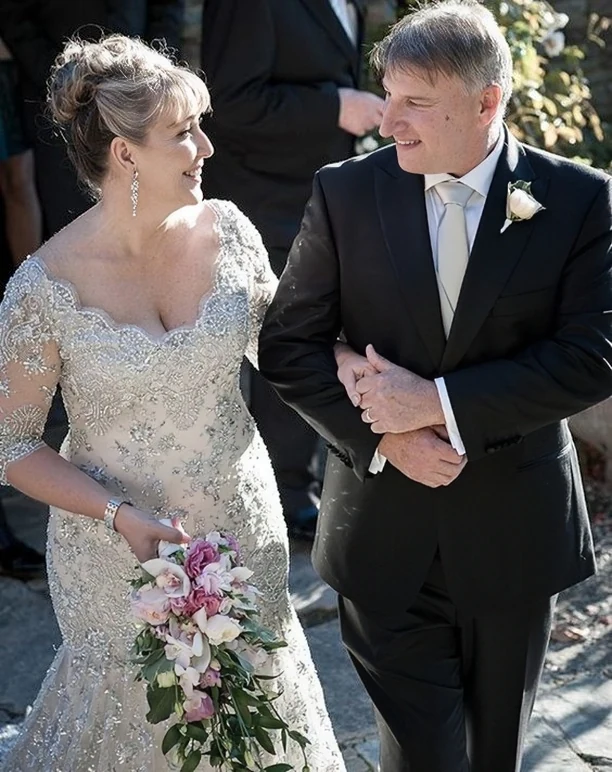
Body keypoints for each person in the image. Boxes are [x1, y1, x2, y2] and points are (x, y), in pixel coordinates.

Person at [259, 2, 612, 771]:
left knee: (494, 756)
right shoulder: (345, 193)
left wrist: (440, 404)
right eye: (388, 97)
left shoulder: (580, 200)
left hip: (515, 537)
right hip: (382, 536)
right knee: (421, 759)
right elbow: (289, 344)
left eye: (416, 103)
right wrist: (383, 435)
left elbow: (593, 356)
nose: (391, 122)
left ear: (487, 102)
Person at [0, 35, 345, 771]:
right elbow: (12, 445)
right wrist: (119, 516)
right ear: (126, 154)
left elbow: (293, 355)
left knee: (258, 710)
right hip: (111, 551)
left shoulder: (228, 232)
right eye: (184, 132)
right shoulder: (40, 288)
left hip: (241, 528)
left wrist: (396, 394)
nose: (207, 147)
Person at [200, 0, 384, 537]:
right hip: (269, 198)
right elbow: (230, 104)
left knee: (317, 336)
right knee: (285, 340)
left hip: (323, 194)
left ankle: (300, 484)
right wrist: (334, 107)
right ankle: (278, 496)